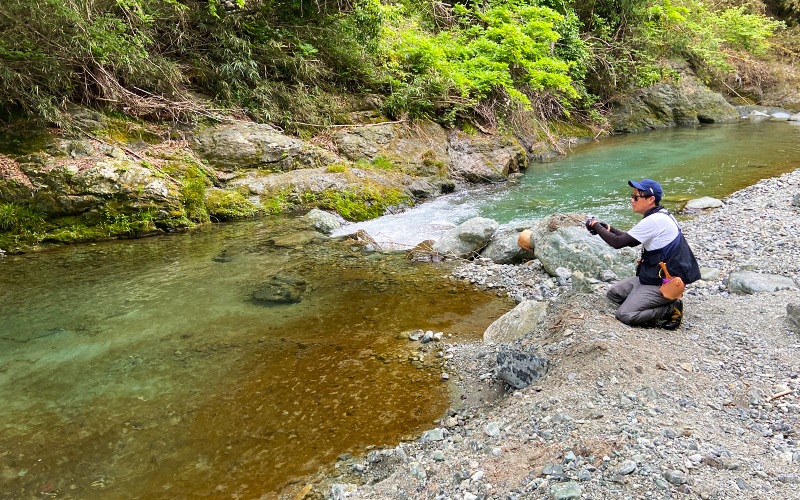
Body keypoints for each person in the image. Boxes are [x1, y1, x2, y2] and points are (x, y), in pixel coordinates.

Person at [585, 179, 701, 330]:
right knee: (614, 294)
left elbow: (618, 243)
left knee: (624, 314)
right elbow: (632, 241)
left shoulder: (655, 220)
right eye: (632, 196)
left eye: (636, 197)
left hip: (663, 282)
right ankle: (646, 300)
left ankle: (670, 308)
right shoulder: (659, 214)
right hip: (650, 277)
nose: (631, 200)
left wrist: (595, 226)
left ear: (651, 199)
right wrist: (608, 228)